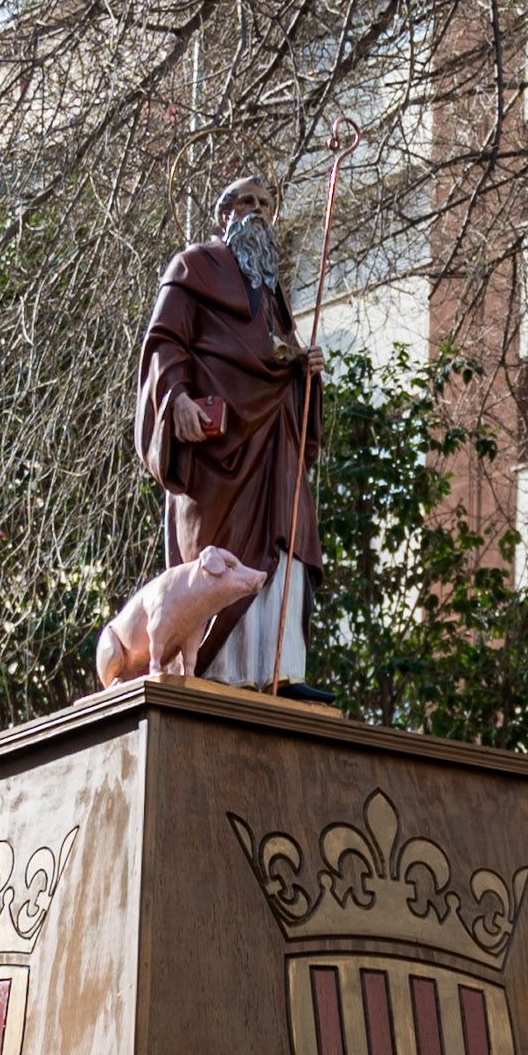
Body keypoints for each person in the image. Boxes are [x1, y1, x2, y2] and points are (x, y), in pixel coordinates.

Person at [134, 176, 324, 686]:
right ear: (225, 214)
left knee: (283, 548)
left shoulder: (272, 292)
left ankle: (280, 670)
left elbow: (276, 354)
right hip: (221, 450)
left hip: (275, 441)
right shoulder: (193, 266)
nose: (258, 212)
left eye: (266, 204)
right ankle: (221, 670)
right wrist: (175, 399)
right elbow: (163, 344)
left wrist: (304, 368)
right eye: (247, 202)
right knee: (220, 563)